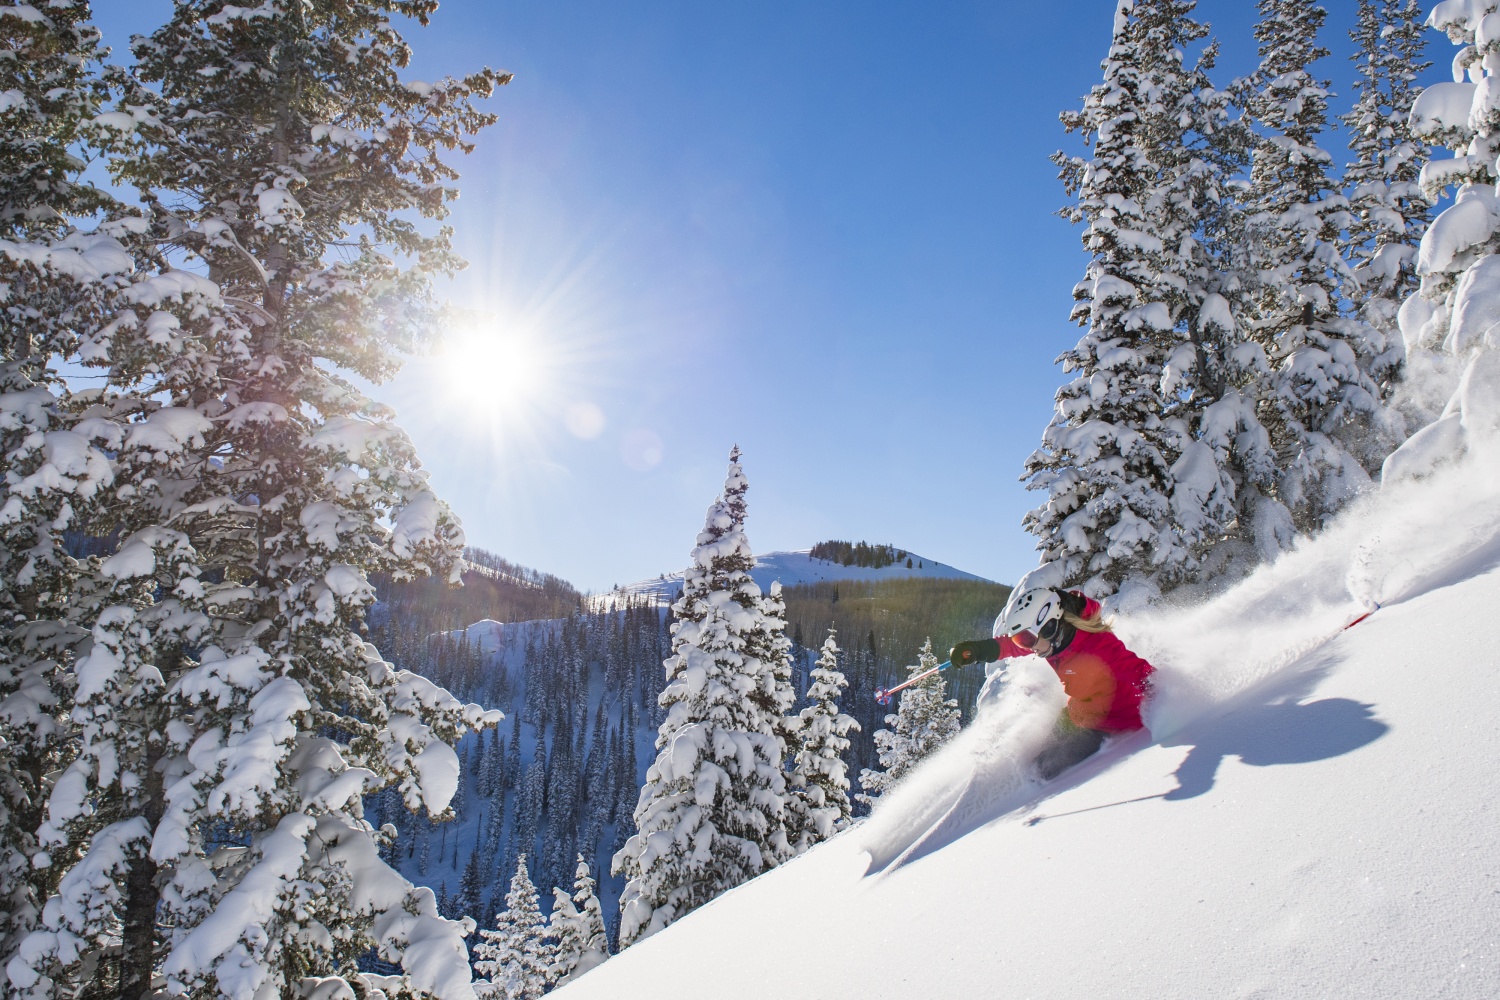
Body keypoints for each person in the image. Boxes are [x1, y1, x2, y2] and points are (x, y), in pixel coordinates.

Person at [949, 587, 1155, 780]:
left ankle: (1029, 798)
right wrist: (978, 650)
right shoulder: (1055, 641)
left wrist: (1169, 700)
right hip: (1079, 712)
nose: (1027, 647)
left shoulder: (1100, 648)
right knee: (1047, 740)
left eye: (1026, 640)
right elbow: (1012, 647)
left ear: (1049, 625)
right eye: (1021, 640)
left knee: (1046, 767)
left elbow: (1141, 673)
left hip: (1108, 724)